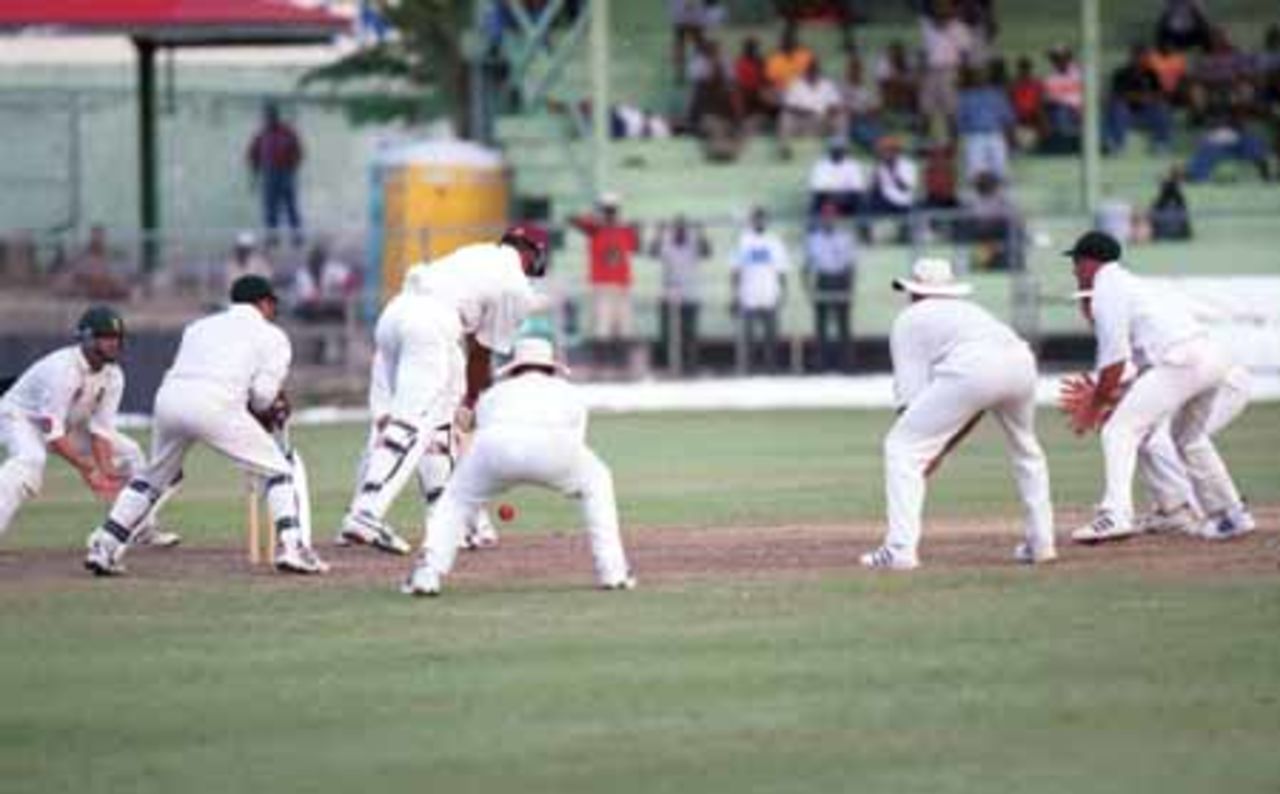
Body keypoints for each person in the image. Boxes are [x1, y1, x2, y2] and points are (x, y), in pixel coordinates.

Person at [83, 276, 328, 576]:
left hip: (169, 400)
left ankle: (104, 546)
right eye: (272, 305)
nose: (274, 311)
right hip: (216, 404)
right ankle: (292, 548)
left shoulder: (198, 327)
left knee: (152, 479)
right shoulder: (273, 336)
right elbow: (264, 397)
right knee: (278, 470)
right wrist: (264, 409)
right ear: (264, 303)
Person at [337, 227, 547, 557]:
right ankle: (366, 513)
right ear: (533, 255)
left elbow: (471, 348)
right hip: (431, 325)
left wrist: (464, 400)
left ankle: (445, 522)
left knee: (436, 423)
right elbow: (481, 351)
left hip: (396, 314)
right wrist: (475, 402)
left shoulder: (478, 251)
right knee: (411, 423)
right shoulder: (516, 286)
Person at [401, 337, 635, 596]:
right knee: (597, 480)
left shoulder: (493, 394)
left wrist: (479, 477)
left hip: (495, 447)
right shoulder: (569, 393)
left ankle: (427, 574)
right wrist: (567, 482)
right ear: (550, 368)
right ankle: (613, 572)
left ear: (514, 369)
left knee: (455, 499)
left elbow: (479, 435)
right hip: (555, 447)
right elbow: (576, 441)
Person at [861, 257, 1055, 570]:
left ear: (914, 291)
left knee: (901, 447)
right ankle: (1042, 543)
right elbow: (972, 406)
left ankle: (899, 550)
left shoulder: (909, 319)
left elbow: (911, 402)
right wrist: (937, 447)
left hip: (975, 369)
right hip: (1021, 362)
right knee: (1026, 449)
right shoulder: (972, 313)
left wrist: (929, 451)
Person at [1061, 231, 1254, 544]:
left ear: (1087, 263)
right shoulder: (1130, 283)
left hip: (1181, 361)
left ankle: (1115, 515)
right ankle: (1231, 515)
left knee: (1119, 431)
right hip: (1212, 356)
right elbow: (1132, 370)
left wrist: (1093, 407)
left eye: (1076, 263)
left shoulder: (1105, 289)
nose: (1073, 271)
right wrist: (1103, 395)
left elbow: (1114, 363)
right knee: (1188, 438)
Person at [0, 307, 179, 548]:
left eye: (117, 338)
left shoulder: (114, 376)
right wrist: (89, 470)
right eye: (106, 338)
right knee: (29, 462)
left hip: (68, 424)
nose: (114, 344)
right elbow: (53, 435)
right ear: (86, 338)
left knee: (131, 453)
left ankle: (138, 528)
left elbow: (101, 430)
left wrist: (104, 469)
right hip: (20, 417)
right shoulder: (63, 370)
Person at [569, 193, 640, 345]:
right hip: (602, 283)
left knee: (625, 325)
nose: (610, 213)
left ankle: (620, 363)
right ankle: (603, 362)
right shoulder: (595, 228)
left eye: (612, 210)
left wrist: (631, 227)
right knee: (602, 325)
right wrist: (595, 214)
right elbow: (572, 219)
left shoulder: (624, 228)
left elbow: (636, 246)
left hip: (622, 283)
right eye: (607, 209)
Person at [648, 215, 712, 373]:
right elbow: (653, 253)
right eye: (677, 229)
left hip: (690, 294)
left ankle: (690, 367)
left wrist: (702, 233)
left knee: (689, 335)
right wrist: (657, 233)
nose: (680, 232)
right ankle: (668, 366)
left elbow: (707, 252)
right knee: (667, 335)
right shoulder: (667, 243)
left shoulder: (693, 243)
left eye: (683, 229)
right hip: (669, 294)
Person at [731, 208, 790, 374]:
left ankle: (771, 368)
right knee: (747, 336)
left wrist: (783, 292)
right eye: (756, 219)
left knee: (771, 335)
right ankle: (748, 368)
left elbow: (782, 270)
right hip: (748, 294)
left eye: (762, 219)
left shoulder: (774, 242)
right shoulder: (743, 241)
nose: (759, 222)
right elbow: (735, 270)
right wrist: (735, 294)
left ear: (767, 221)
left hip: (770, 293)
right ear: (751, 221)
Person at [804, 202, 858, 372]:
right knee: (821, 324)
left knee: (844, 324)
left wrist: (850, 286)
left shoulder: (845, 237)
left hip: (840, 278)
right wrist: (808, 288)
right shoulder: (814, 238)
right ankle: (821, 363)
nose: (828, 219)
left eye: (831, 216)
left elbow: (850, 265)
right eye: (825, 216)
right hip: (823, 278)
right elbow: (807, 266)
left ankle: (847, 363)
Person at [246, 102, 304, 247]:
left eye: (271, 115)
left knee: (290, 206)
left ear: (276, 115)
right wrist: (254, 175)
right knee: (270, 208)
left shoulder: (287, 132)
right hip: (269, 173)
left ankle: (296, 237)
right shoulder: (262, 134)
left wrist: (292, 168)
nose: (269, 118)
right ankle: (272, 238)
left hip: (285, 173)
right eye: (267, 116)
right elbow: (253, 155)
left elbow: (298, 151)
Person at [1103, 44, 1173, 155]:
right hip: (1126, 113)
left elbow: (1159, 94)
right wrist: (1139, 97)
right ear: (1132, 57)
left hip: (1146, 112)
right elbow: (1116, 95)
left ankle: (1161, 143)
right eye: (1138, 56)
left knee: (1162, 108)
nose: (1141, 60)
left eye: (1144, 56)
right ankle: (1118, 145)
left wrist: (1150, 98)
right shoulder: (1121, 73)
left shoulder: (1151, 74)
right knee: (1118, 107)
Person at [955, 62, 1015, 181]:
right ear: (973, 77)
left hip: (995, 134)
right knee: (975, 174)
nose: (981, 78)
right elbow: (960, 120)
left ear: (988, 77)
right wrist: (962, 137)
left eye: (984, 75)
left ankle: (1000, 197)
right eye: (977, 75)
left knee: (1001, 173)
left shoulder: (998, 94)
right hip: (975, 136)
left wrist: (1011, 139)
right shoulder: (965, 96)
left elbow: (1007, 118)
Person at [777, 59, 846, 159]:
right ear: (806, 71)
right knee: (784, 116)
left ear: (819, 71)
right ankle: (784, 148)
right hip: (802, 122)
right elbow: (789, 106)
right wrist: (806, 111)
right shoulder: (796, 84)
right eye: (810, 70)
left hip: (822, 122)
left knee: (841, 116)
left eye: (815, 70)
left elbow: (836, 104)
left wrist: (832, 110)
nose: (812, 72)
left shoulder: (827, 84)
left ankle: (839, 148)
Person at [808, 138, 868, 218]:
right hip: (827, 198)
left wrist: (841, 194)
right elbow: (816, 186)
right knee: (816, 200)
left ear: (845, 151)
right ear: (830, 150)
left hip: (846, 199)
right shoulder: (820, 165)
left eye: (840, 150)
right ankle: (813, 228)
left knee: (860, 200)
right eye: (835, 150)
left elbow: (858, 186)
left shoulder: (853, 165)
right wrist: (832, 194)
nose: (837, 152)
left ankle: (863, 227)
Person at [223, 231, 272, 296]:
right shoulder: (231, 264)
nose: (244, 252)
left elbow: (267, 279)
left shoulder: (260, 262)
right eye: (242, 248)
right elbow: (230, 284)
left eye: (246, 249)